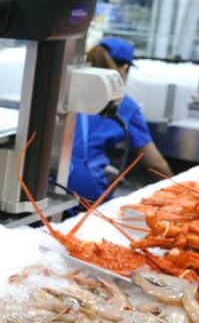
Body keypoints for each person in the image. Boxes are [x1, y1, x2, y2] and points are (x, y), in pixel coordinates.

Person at [67, 37, 171, 202]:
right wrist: (175, 189)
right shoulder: (125, 105)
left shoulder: (68, 90)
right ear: (124, 68)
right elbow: (155, 163)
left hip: (51, 181)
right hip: (84, 193)